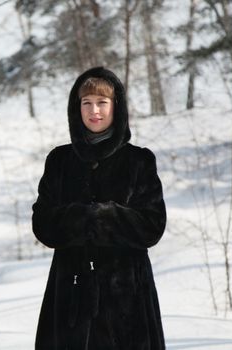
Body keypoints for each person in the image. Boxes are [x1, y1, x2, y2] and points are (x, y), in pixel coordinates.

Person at [32, 66, 166, 349]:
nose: (95, 111)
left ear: (116, 107)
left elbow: (152, 226)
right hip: (70, 296)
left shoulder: (139, 161)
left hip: (128, 299)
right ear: (76, 108)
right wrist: (82, 217)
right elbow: (43, 224)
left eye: (102, 102)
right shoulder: (59, 161)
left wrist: (105, 217)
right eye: (87, 103)